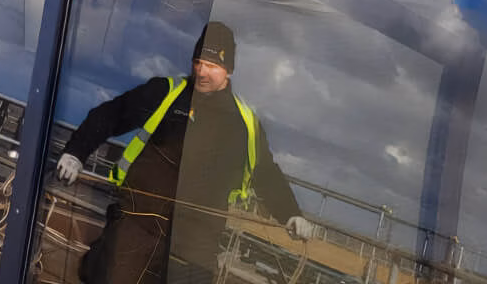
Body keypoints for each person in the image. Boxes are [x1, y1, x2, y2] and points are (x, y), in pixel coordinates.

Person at [55, 22, 313, 284]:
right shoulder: (166, 93)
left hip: (195, 248)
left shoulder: (244, 124)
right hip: (137, 225)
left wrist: (291, 213)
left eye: (211, 66)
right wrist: (76, 152)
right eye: (198, 62)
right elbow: (111, 114)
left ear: (229, 70)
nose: (202, 72)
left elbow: (267, 174)